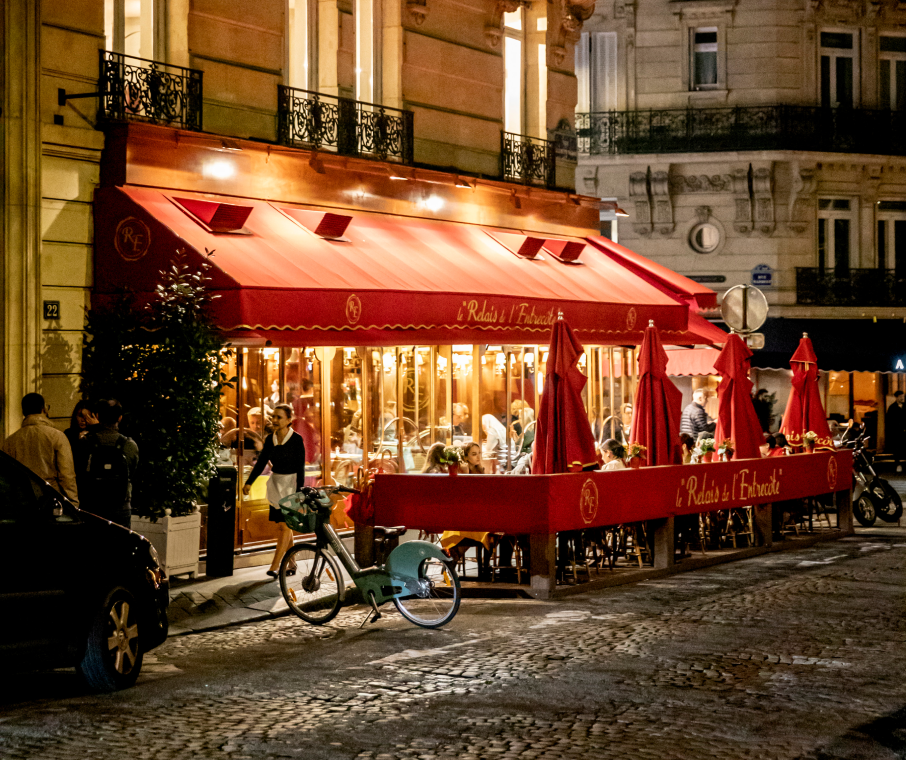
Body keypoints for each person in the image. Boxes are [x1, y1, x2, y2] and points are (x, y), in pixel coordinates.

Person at [242, 404, 306, 579]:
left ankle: (276, 565)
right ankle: (292, 563)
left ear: (289, 421)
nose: (275, 420)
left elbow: (301, 468)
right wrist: (249, 483)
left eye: (279, 417)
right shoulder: (271, 439)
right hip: (275, 484)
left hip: (291, 485)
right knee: (283, 526)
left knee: (285, 526)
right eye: (274, 417)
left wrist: (300, 493)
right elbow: (262, 462)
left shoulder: (296, 440)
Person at [2, 392, 79, 506]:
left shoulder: (10, 441)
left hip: (21, 500)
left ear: (24, 412)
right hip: (50, 498)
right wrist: (73, 502)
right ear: (44, 409)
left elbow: (6, 478)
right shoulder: (57, 436)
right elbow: (67, 475)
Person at [82, 399, 139, 528]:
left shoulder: (86, 443)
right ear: (120, 418)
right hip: (121, 505)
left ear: (97, 416)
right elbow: (132, 471)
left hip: (93, 505)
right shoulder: (129, 445)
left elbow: (80, 471)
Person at [886, 391, 906, 473]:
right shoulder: (892, 408)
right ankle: (898, 464)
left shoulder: (905, 406)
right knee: (897, 449)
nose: (902, 398)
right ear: (896, 397)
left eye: (903, 397)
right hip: (897, 432)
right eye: (901, 397)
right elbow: (889, 421)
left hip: (905, 431)